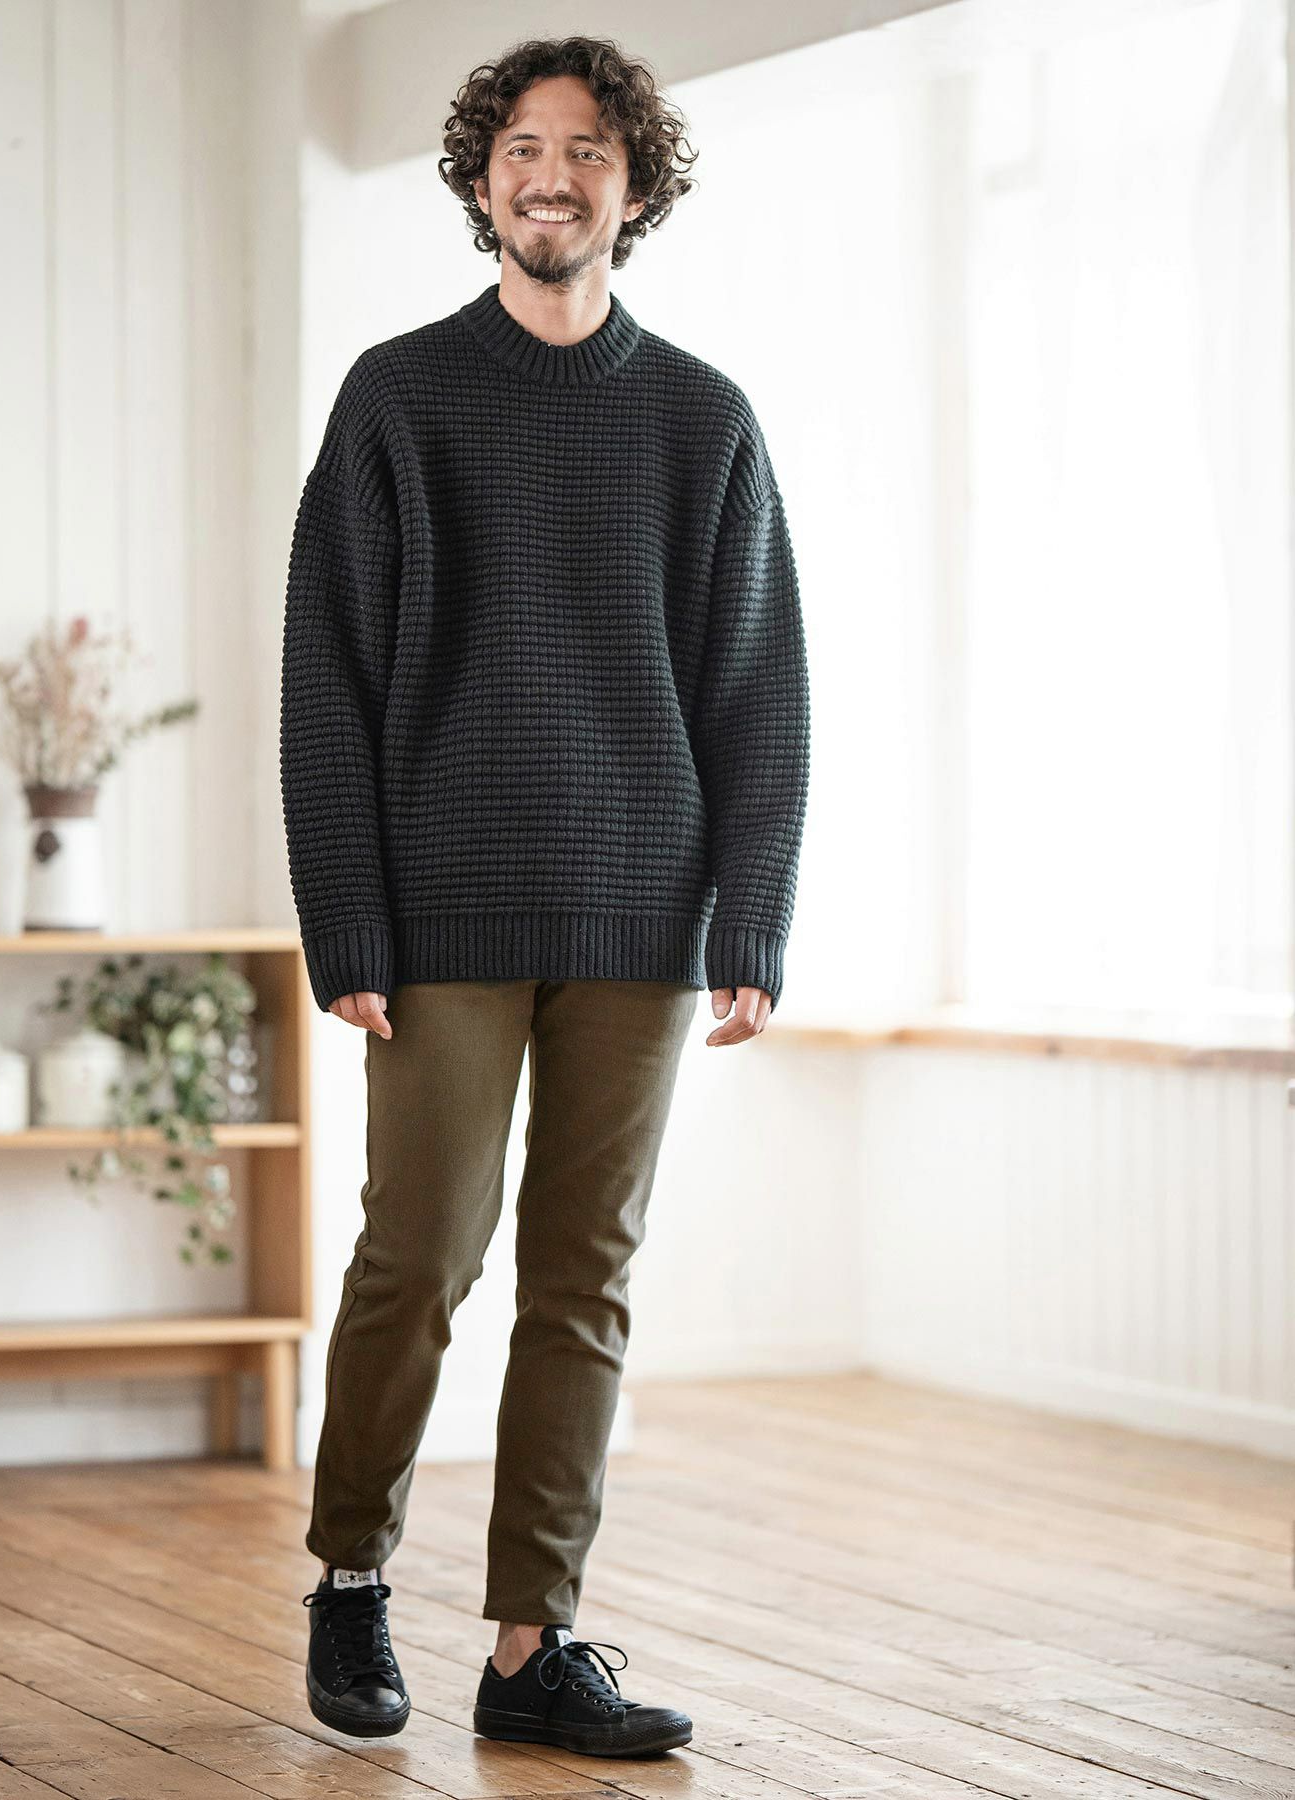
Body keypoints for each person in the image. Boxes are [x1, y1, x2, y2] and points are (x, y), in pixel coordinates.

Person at [281, 33, 810, 1760]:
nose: (552, 175)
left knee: (585, 1281)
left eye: (588, 149)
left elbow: (759, 688)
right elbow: (326, 682)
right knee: (419, 1257)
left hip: (641, 918)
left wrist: (752, 913)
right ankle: (351, 1577)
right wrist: (346, 923)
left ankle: (531, 1647)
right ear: (479, 178)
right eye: (523, 146)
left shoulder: (703, 421)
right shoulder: (398, 400)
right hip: (441, 913)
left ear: (632, 187)